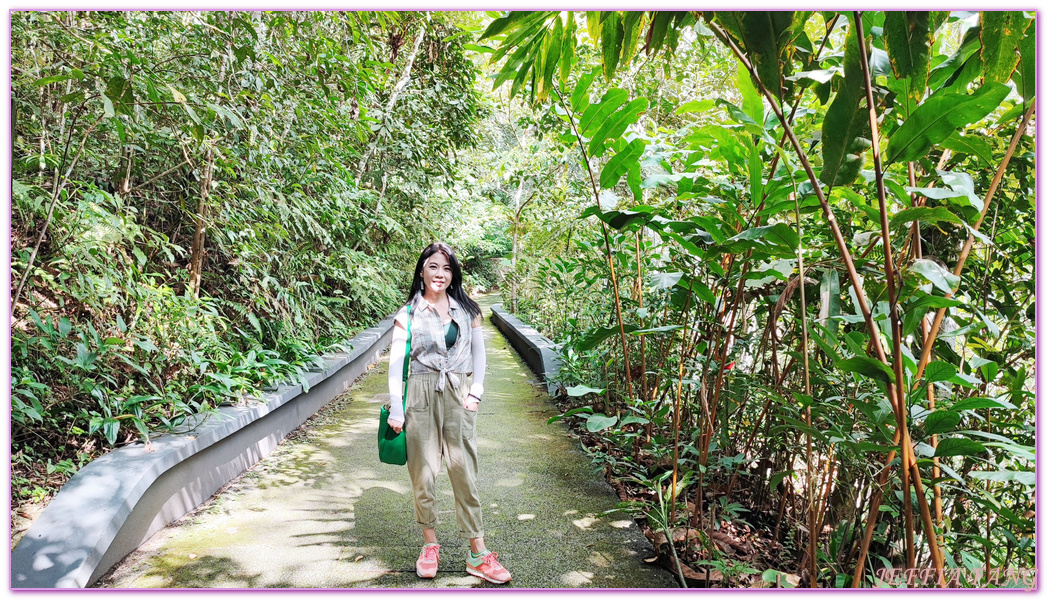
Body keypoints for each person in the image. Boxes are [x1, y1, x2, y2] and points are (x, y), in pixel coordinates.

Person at [386, 242, 512, 585]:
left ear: (452, 273)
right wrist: (397, 407)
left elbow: (479, 353)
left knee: (464, 472)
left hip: (458, 392)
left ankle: (478, 553)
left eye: (446, 268)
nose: (440, 274)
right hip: (420, 395)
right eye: (433, 267)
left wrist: (476, 393)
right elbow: (396, 364)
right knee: (423, 474)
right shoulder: (407, 314)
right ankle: (430, 544)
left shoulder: (467, 310)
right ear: (421, 272)